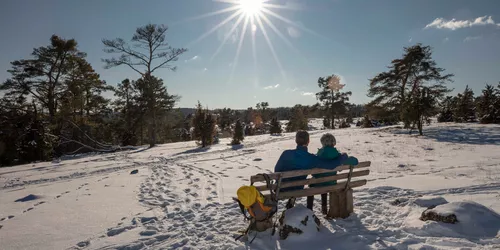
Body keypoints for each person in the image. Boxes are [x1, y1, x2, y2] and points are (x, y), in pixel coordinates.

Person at [274, 130, 358, 209]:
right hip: (298, 188)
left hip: (280, 188)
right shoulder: (311, 158)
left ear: (296, 141)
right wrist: (342, 156)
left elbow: (277, 170)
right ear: (308, 142)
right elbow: (330, 165)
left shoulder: (286, 153)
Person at [307, 133, 354, 214]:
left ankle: (309, 210)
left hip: (317, 183)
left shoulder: (320, 153)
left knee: (312, 187)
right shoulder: (336, 155)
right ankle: (324, 208)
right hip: (331, 182)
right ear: (333, 142)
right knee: (325, 183)